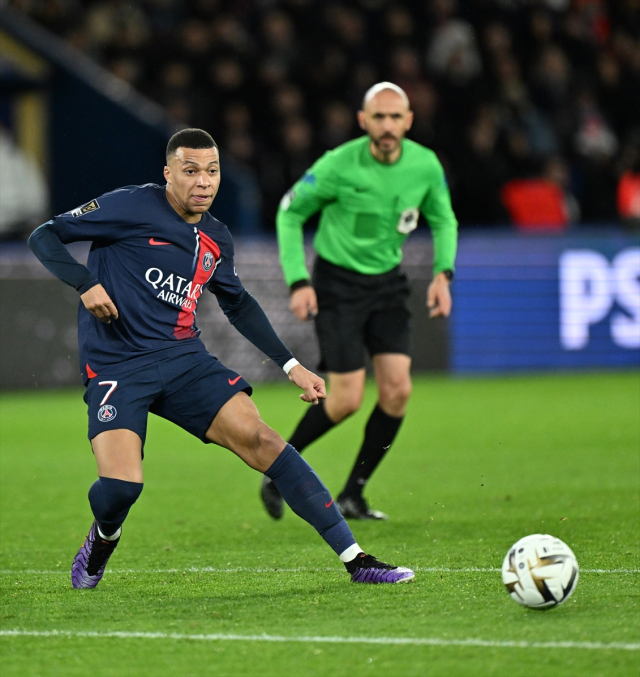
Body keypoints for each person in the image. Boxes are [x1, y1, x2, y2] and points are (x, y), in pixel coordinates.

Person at [27, 128, 414, 588]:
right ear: (168, 173)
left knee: (267, 443)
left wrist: (291, 366)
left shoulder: (214, 237)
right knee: (120, 489)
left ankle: (357, 561)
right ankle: (103, 536)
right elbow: (45, 236)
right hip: (118, 366)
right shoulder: (129, 206)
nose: (203, 182)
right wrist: (84, 283)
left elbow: (239, 303)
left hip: (184, 360)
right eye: (190, 171)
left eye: (211, 171)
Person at [261, 83, 458, 521]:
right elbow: (290, 211)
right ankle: (277, 471)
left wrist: (443, 274)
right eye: (378, 117)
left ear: (408, 120)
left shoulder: (425, 165)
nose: (387, 126)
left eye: (395, 117)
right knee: (346, 398)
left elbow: (443, 218)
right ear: (363, 120)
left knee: (398, 391)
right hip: (338, 286)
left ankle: (354, 493)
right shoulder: (338, 165)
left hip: (387, 284)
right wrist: (298, 281)